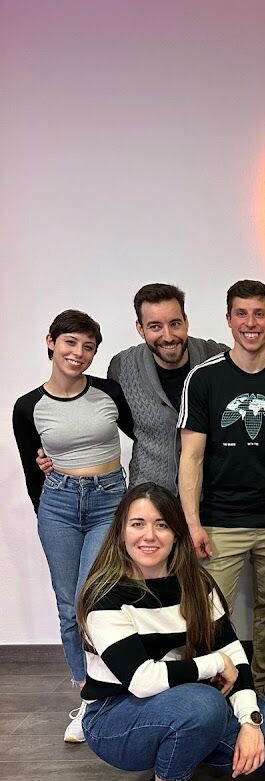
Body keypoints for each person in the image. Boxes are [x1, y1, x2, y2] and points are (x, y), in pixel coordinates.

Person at [76, 483, 265, 781]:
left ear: (176, 533)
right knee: (203, 703)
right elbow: (143, 680)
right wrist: (213, 663)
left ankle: (182, 753)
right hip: (115, 717)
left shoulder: (196, 583)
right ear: (121, 531)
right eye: (138, 524)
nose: (149, 535)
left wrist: (250, 722)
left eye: (161, 525)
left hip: (181, 701)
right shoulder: (106, 595)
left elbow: (235, 657)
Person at [177, 279, 265, 698]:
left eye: (259, 314)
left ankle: (263, 687)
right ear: (228, 320)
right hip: (220, 520)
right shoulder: (204, 379)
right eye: (241, 313)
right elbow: (191, 457)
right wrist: (192, 523)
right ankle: (211, 689)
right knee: (208, 610)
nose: (250, 323)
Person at [13, 310, 133, 742]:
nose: (78, 353)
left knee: (93, 597)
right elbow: (32, 469)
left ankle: (115, 688)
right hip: (58, 505)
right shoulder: (28, 406)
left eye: (88, 347)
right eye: (70, 342)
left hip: (108, 501)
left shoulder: (108, 392)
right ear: (51, 342)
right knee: (68, 605)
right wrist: (43, 513)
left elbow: (148, 435)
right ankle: (88, 698)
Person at [35, 282, 227, 492]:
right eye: (155, 326)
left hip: (216, 495)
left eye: (175, 323)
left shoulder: (218, 358)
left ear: (186, 321)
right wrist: (53, 449)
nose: (168, 336)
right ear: (140, 328)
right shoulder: (122, 367)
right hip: (149, 497)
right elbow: (102, 413)